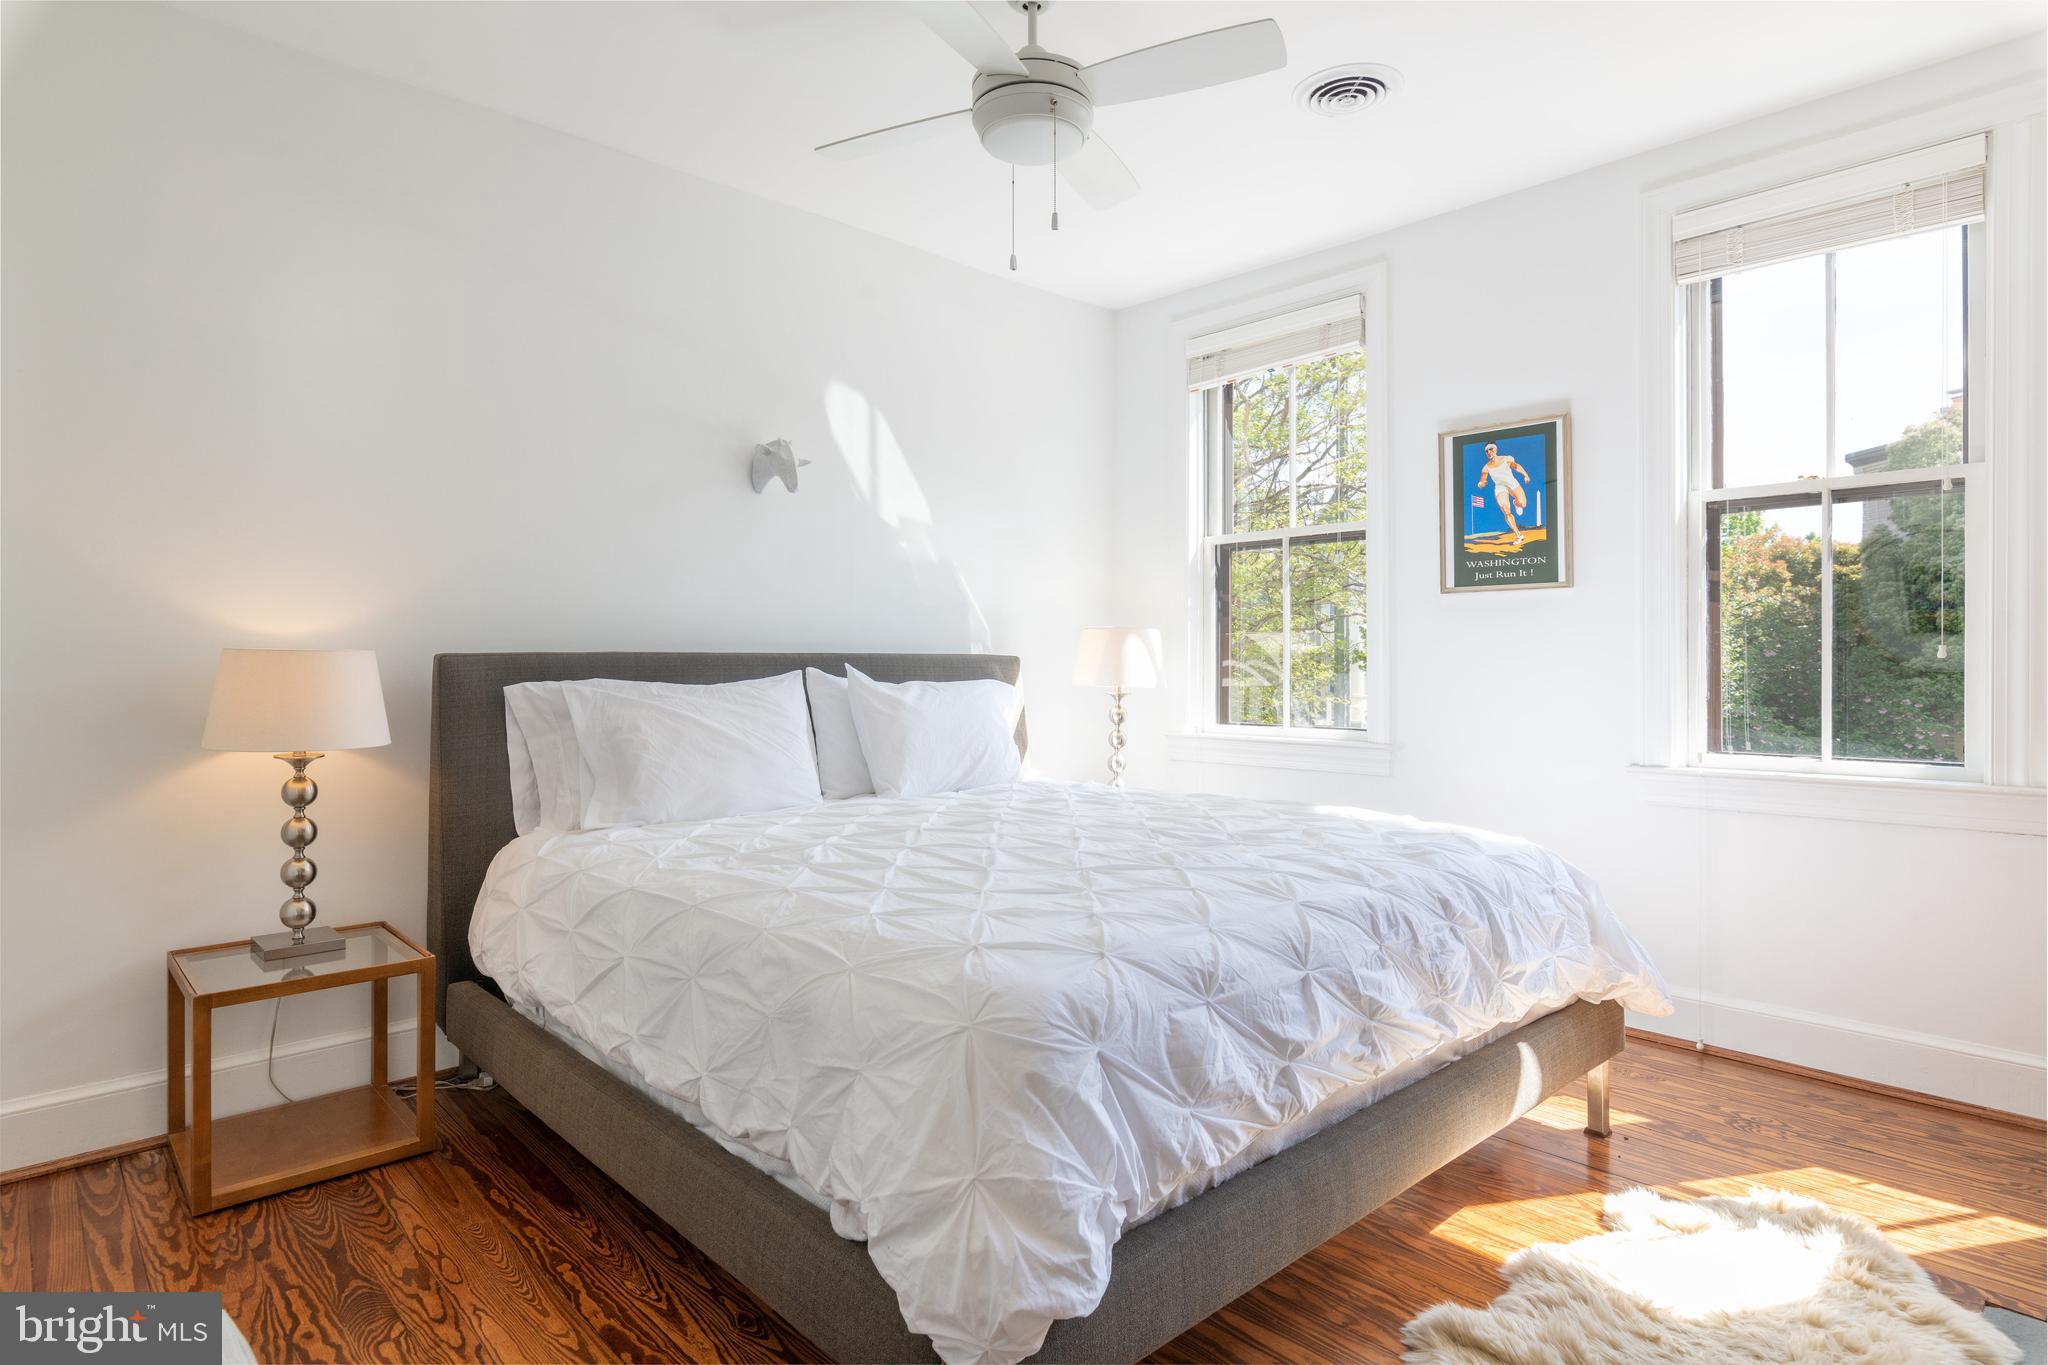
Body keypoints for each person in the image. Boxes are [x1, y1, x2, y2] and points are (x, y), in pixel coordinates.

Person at [1476, 442, 1531, 548]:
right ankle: (1518, 535)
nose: (1489, 452)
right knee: (1506, 510)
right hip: (1500, 487)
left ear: (1496, 450)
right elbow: (1482, 481)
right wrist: (1481, 484)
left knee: (1523, 504)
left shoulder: (1506, 458)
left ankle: (1515, 502)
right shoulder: (1486, 468)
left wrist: (1525, 475)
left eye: (1491, 449)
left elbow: (1516, 466)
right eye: (1486, 451)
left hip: (1512, 483)